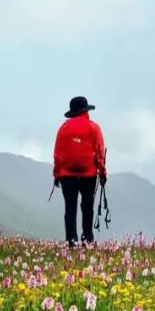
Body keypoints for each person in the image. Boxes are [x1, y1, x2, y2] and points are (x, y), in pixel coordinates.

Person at [53, 96, 107, 245]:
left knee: (70, 209)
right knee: (87, 207)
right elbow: (100, 152)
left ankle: (71, 240)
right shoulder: (94, 128)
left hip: (67, 175)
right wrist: (102, 173)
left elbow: (58, 154)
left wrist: (57, 174)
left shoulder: (63, 128)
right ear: (86, 110)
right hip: (88, 175)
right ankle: (87, 239)